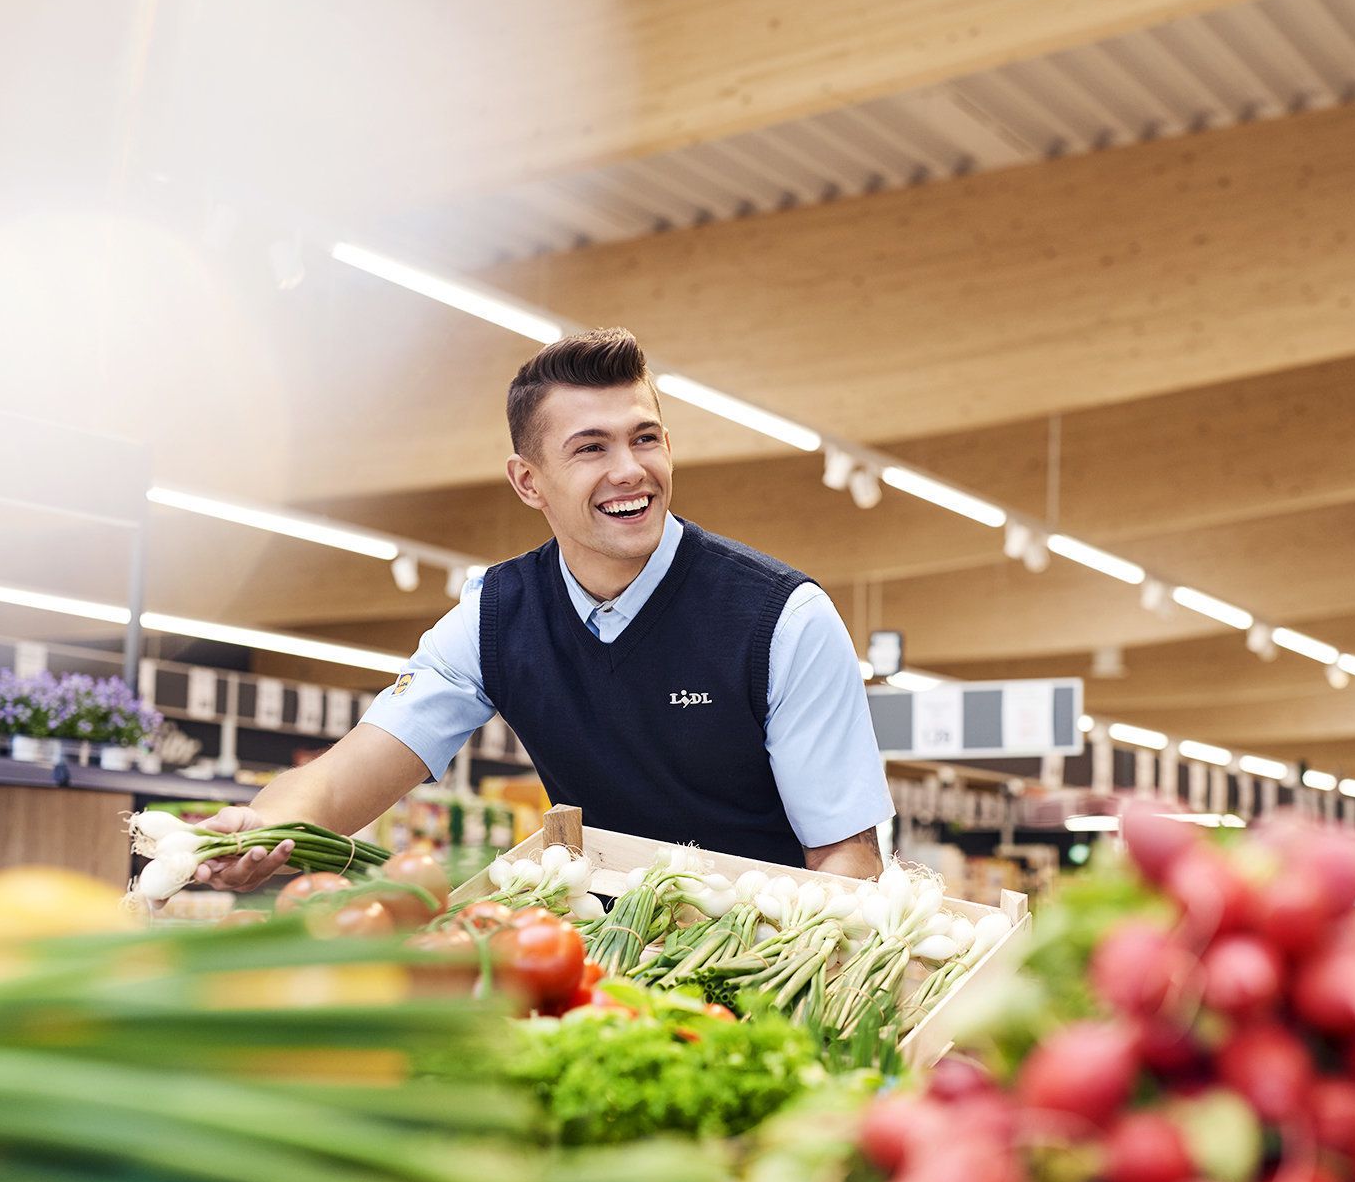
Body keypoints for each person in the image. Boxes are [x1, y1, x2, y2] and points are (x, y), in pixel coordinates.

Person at [196, 327, 893, 888]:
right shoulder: (495, 617)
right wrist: (260, 826)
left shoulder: (781, 619)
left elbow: (846, 861)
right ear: (528, 481)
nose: (629, 469)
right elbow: (347, 773)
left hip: (765, 955)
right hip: (604, 958)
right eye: (591, 448)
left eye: (645, 437)